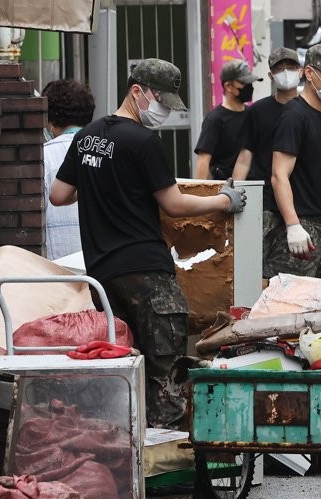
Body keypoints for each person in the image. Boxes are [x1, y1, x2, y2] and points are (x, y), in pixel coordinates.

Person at [49, 58, 247, 429]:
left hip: (103, 277)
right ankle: (165, 463)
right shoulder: (142, 142)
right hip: (146, 272)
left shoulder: (87, 135)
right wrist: (223, 202)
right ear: (136, 91)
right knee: (165, 372)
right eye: (162, 101)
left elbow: (59, 194)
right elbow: (174, 204)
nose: (165, 111)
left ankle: (130, 451)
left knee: (125, 364)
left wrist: (99, 186)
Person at [268, 43, 321, 284]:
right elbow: (279, 175)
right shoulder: (294, 116)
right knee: (293, 306)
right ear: (309, 73)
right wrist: (293, 225)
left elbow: (320, 170)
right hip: (300, 228)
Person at [232, 47, 302, 278]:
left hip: (303, 204)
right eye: (279, 69)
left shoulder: (311, 110)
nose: (286, 73)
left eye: (290, 67)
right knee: (256, 270)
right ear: (271, 75)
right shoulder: (258, 112)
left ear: (301, 71)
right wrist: (234, 192)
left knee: (299, 273)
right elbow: (244, 157)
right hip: (263, 205)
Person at [41, 79, 95, 261]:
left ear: (50, 120)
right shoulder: (106, 152)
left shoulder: (43, 157)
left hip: (55, 267)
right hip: (99, 266)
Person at [193, 60, 260, 179]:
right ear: (228, 86)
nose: (249, 87)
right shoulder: (215, 119)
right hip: (224, 190)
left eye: (251, 83)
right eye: (244, 83)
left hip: (255, 187)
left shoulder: (253, 114)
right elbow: (203, 161)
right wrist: (201, 194)